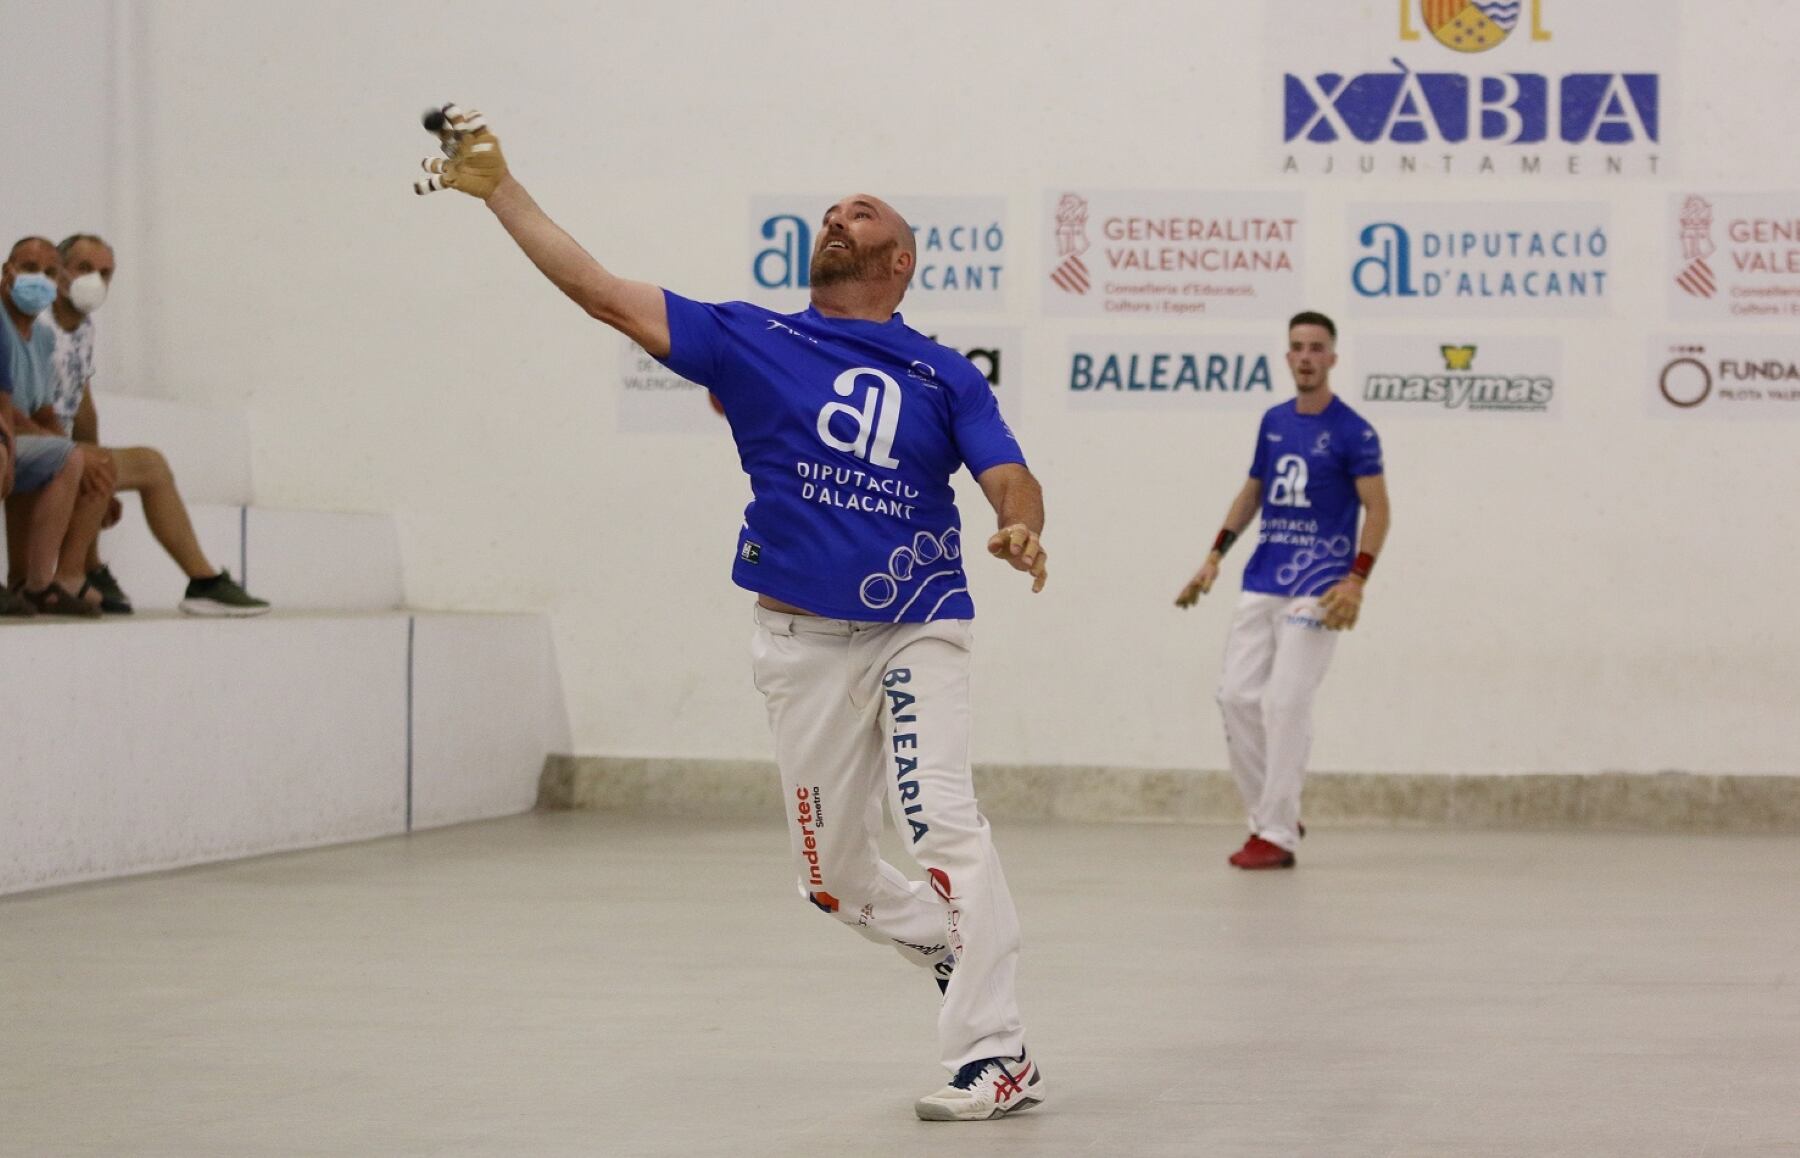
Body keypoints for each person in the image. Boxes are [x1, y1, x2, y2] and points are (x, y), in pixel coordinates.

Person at [415, 104, 1048, 1121]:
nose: (840, 217)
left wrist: (1019, 526)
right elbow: (599, 291)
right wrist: (500, 189)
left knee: (940, 817)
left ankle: (997, 1049)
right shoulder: (752, 336)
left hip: (917, 618)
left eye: (866, 213)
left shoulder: (943, 372)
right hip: (797, 639)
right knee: (831, 881)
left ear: (900, 264)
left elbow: (1010, 475)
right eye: (833, 210)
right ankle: (943, 943)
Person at [1175, 311, 1391, 870]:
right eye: (1297, 347)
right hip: (1263, 576)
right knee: (1235, 697)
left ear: (1333, 358)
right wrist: (1214, 556)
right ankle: (1273, 814)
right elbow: (1252, 491)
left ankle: (1275, 835)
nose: (1305, 357)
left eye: (1316, 348)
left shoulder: (1354, 431)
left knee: (1286, 703)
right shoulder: (1273, 421)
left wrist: (1357, 578)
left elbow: (1379, 509)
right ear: (1287, 354)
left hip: (1319, 587)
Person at [45, 234, 269, 616]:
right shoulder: (35, 323)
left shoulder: (83, 331)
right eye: (85, 269)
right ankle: (77, 573)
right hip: (30, 441)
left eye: (105, 273)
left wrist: (102, 467)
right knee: (92, 464)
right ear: (59, 271)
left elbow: (84, 409)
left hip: (64, 449)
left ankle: (203, 582)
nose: (95, 280)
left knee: (149, 464)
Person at [1, 236, 108, 617]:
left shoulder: (43, 336)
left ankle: (43, 584)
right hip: (5, 434)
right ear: (6, 272)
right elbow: (7, 412)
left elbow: (44, 410)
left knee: (73, 460)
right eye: (29, 269)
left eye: (48, 272)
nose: (40, 280)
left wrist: (72, 449)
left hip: (16, 434)